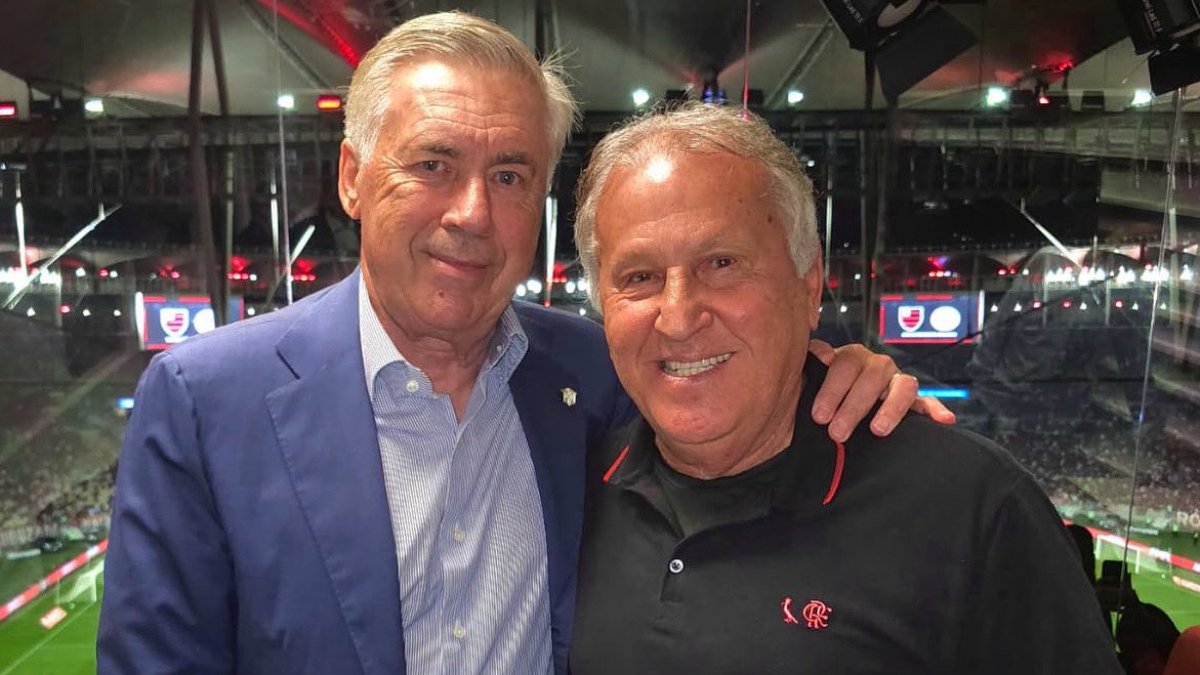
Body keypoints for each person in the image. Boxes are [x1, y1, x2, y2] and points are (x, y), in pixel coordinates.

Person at [96, 12, 945, 675]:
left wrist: (839, 374)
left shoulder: (601, 373)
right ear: (353, 176)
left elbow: (738, 372)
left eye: (509, 175)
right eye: (432, 164)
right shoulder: (205, 401)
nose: (471, 213)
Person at [569, 102, 1123, 675]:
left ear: (809, 287)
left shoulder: (970, 506)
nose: (679, 317)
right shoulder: (570, 490)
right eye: (639, 277)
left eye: (722, 262)